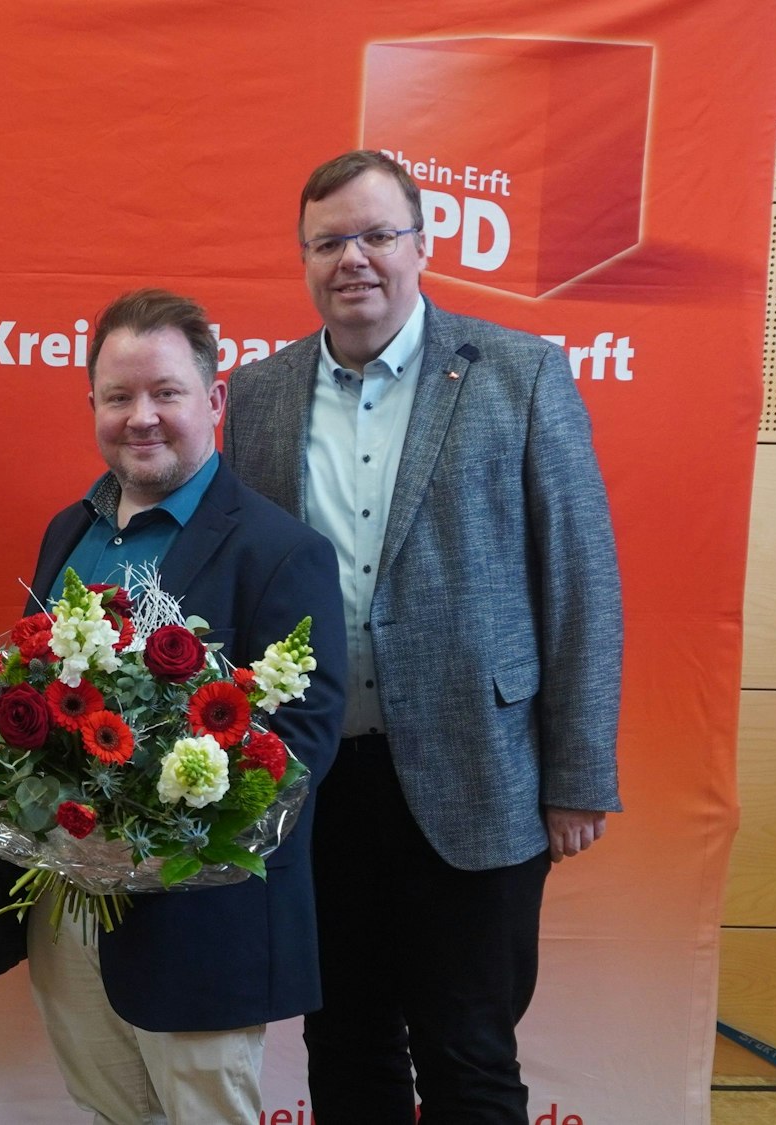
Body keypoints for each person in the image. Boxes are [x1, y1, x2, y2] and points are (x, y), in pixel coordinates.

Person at [223, 149, 624, 1123]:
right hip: (317, 785)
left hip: (479, 778)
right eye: (328, 242)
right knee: (345, 1050)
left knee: (469, 1058)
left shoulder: (519, 374)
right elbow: (233, 592)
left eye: (374, 234)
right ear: (303, 259)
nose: (351, 258)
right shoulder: (256, 396)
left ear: (421, 244)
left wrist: (577, 775)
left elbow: (579, 584)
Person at [0, 289, 346, 1124]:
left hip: (198, 922)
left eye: (166, 392)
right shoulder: (69, 530)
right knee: (107, 1112)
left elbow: (299, 749)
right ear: (91, 405)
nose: (142, 417)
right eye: (118, 396)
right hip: (63, 908)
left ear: (213, 400)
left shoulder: (283, 554)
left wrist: (150, 822)